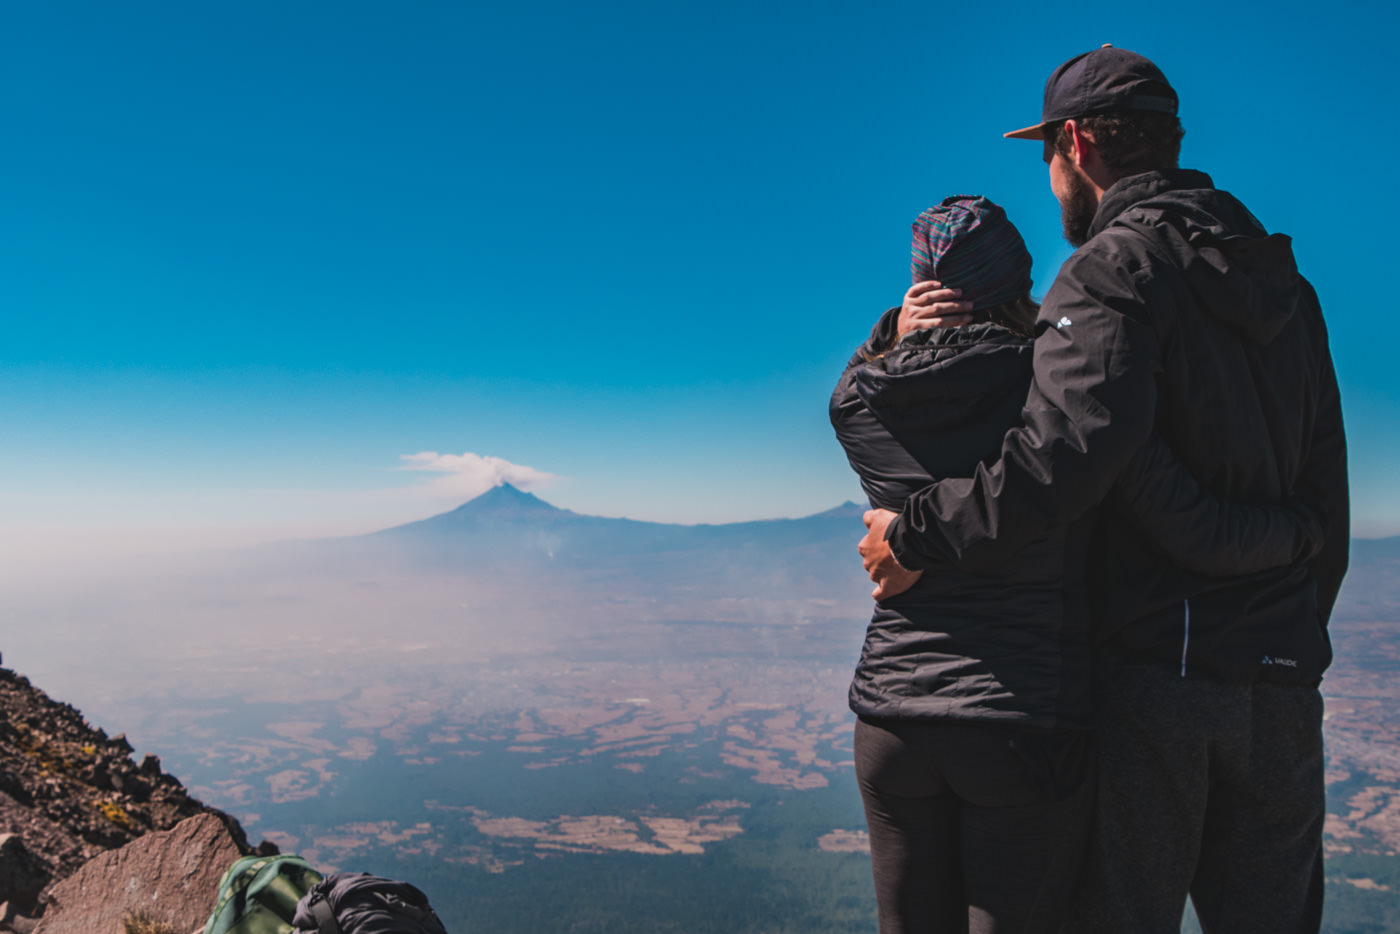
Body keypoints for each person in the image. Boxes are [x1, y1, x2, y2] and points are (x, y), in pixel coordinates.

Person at [857, 48, 1348, 934]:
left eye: (1047, 157)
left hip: (1154, 677)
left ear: (1075, 143)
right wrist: (1285, 635)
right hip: (1281, 683)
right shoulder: (1291, 289)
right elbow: (1328, 502)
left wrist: (913, 534)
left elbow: (1060, 460)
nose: (1051, 183)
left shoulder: (1112, 269)